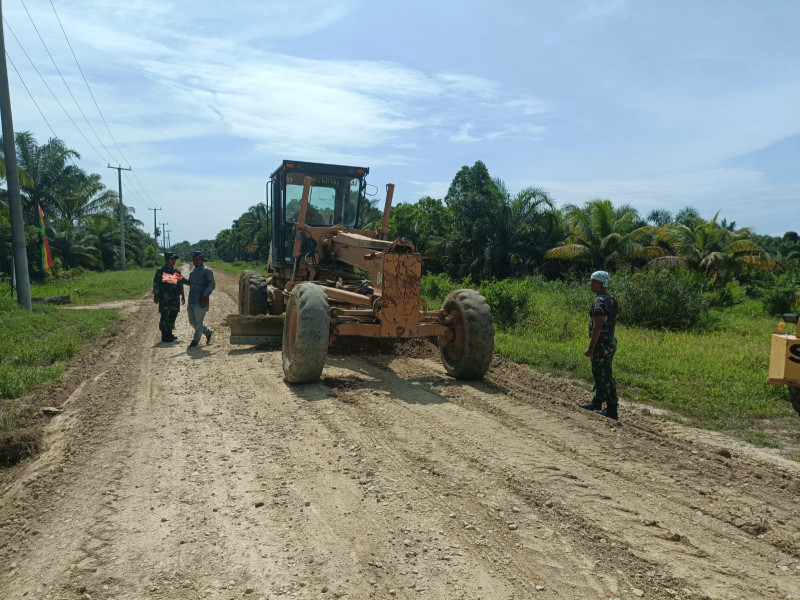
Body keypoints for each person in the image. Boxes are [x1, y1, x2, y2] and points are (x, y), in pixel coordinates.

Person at [579, 270, 620, 420]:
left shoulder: (599, 302)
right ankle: (596, 402)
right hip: (609, 341)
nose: (590, 284)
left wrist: (591, 347)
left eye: (593, 281)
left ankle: (611, 408)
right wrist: (611, 339)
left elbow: (597, 325)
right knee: (601, 373)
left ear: (601, 283)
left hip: (601, 342)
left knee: (603, 375)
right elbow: (613, 322)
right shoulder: (611, 300)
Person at [182, 251, 215, 349]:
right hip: (191, 301)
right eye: (194, 259)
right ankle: (208, 332)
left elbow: (212, 284)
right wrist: (181, 279)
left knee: (199, 322)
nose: (196, 261)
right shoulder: (192, 272)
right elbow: (190, 283)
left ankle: (195, 341)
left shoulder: (206, 271)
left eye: (198, 259)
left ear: (202, 260)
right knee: (192, 322)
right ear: (192, 261)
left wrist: (205, 294)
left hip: (201, 302)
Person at [153, 252, 185, 342]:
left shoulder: (177, 272)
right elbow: (156, 284)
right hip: (165, 298)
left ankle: (170, 333)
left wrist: (182, 295)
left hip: (175, 298)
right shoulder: (160, 271)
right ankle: (164, 335)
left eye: (174, 259)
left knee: (173, 315)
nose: (174, 261)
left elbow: (180, 285)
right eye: (172, 259)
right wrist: (156, 295)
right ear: (167, 260)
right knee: (165, 316)